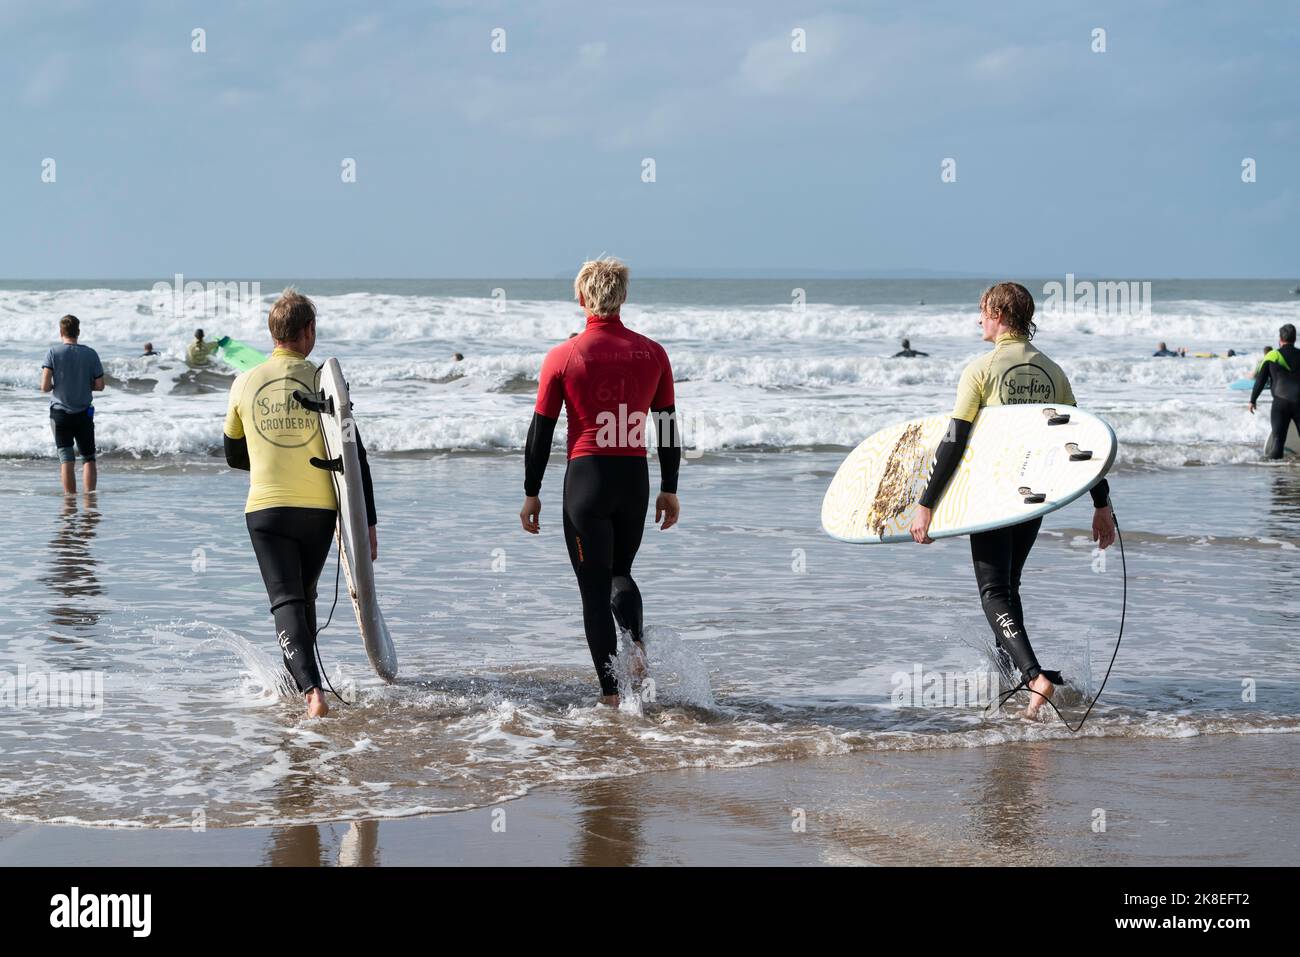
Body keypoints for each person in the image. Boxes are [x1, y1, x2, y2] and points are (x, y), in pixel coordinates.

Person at [909, 282, 1116, 720]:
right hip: (1036, 497)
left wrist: (926, 502)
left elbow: (954, 441)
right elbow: (1080, 440)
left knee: (993, 591)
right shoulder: (1053, 371)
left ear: (1001, 314)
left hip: (992, 496)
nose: (979, 319)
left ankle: (1034, 677)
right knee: (1009, 586)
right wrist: (1101, 504)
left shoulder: (980, 369)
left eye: (983, 311)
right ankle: (1015, 678)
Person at [519, 258, 681, 707]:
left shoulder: (563, 356)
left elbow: (541, 431)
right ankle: (637, 646)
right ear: (623, 297)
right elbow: (666, 426)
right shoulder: (653, 353)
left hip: (586, 481)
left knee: (593, 593)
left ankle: (611, 698)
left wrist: (531, 492)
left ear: (581, 298)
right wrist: (670, 486)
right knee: (620, 573)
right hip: (634, 479)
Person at [223, 289, 378, 719]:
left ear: (273, 333)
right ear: (307, 331)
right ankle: (301, 684)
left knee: (285, 599)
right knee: (303, 595)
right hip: (319, 510)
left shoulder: (244, 382)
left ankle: (312, 693)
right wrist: (368, 523)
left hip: (266, 510)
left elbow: (233, 454)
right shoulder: (325, 382)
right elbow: (353, 455)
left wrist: (271, 455)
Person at [40, 315, 104, 494]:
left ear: (61, 332)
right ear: (78, 332)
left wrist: (56, 385)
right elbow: (100, 385)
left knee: (66, 458)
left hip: (60, 413)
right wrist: (85, 384)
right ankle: (90, 499)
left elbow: (44, 387)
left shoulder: (53, 352)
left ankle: (69, 501)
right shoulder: (90, 353)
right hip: (84, 413)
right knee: (88, 458)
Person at [1249, 323, 1300, 460]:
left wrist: (1252, 400)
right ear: (1295, 339)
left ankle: (1277, 475)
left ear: (1280, 339)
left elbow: (1260, 380)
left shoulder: (1272, 356)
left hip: (1280, 403)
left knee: (1278, 441)